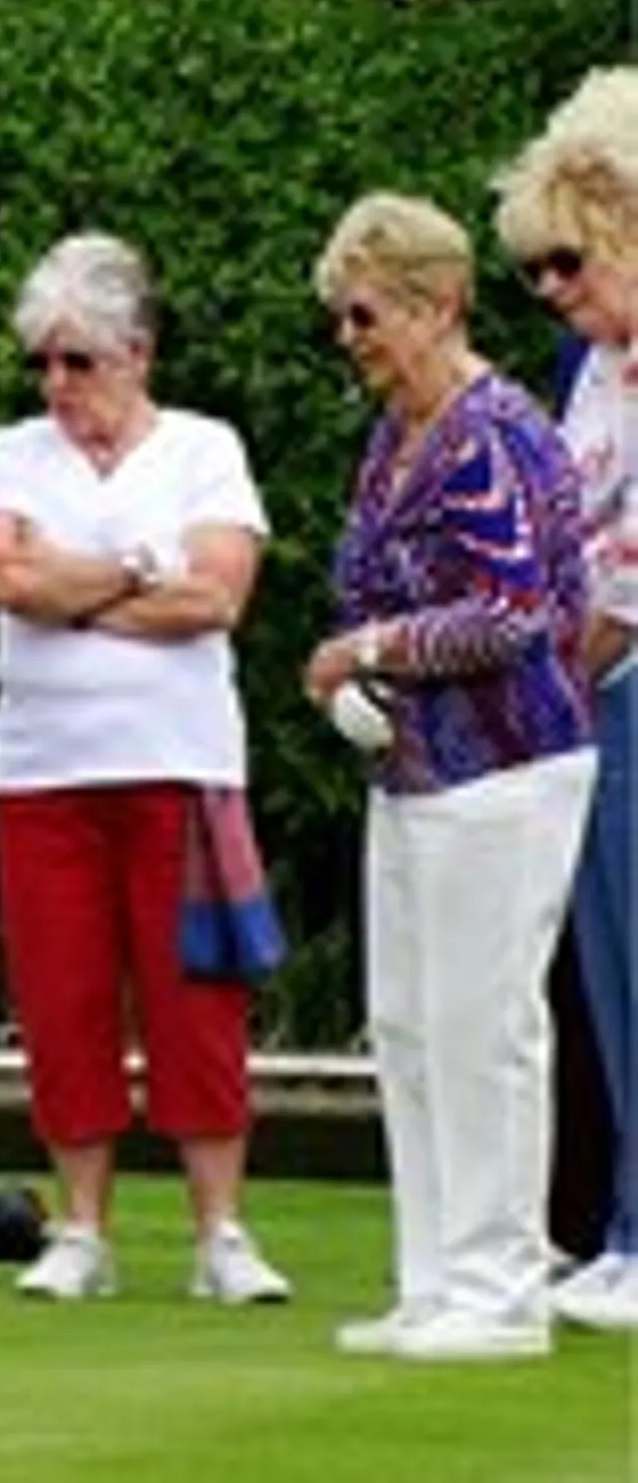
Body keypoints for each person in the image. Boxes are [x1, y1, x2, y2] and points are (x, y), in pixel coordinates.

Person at [0, 232, 291, 1306]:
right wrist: (140, 567)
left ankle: (220, 1232)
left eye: (79, 362)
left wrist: (80, 584)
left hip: (178, 761)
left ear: (136, 353)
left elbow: (215, 598)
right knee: (62, 997)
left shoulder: (203, 447)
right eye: (43, 364)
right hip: (40, 771)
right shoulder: (11, 452)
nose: (55, 385)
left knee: (193, 995)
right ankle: (82, 1227)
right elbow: (8, 578)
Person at [304, 192, 596, 1361]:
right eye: (340, 316)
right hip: (415, 767)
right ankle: (433, 1276)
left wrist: (370, 651)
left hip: (510, 764)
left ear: (434, 304)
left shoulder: (498, 430)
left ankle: (499, 1287)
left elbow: (516, 612)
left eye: (362, 313)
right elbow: (371, 587)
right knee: (409, 1026)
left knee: (483, 1027)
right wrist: (355, 674)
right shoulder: (394, 435)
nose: (349, 337)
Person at [494, 65, 638, 1331]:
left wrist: (560, 665)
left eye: (568, 266)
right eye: (536, 271)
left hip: (628, 678)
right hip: (591, 698)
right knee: (600, 970)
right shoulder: (585, 368)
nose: (552, 293)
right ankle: (623, 1227)